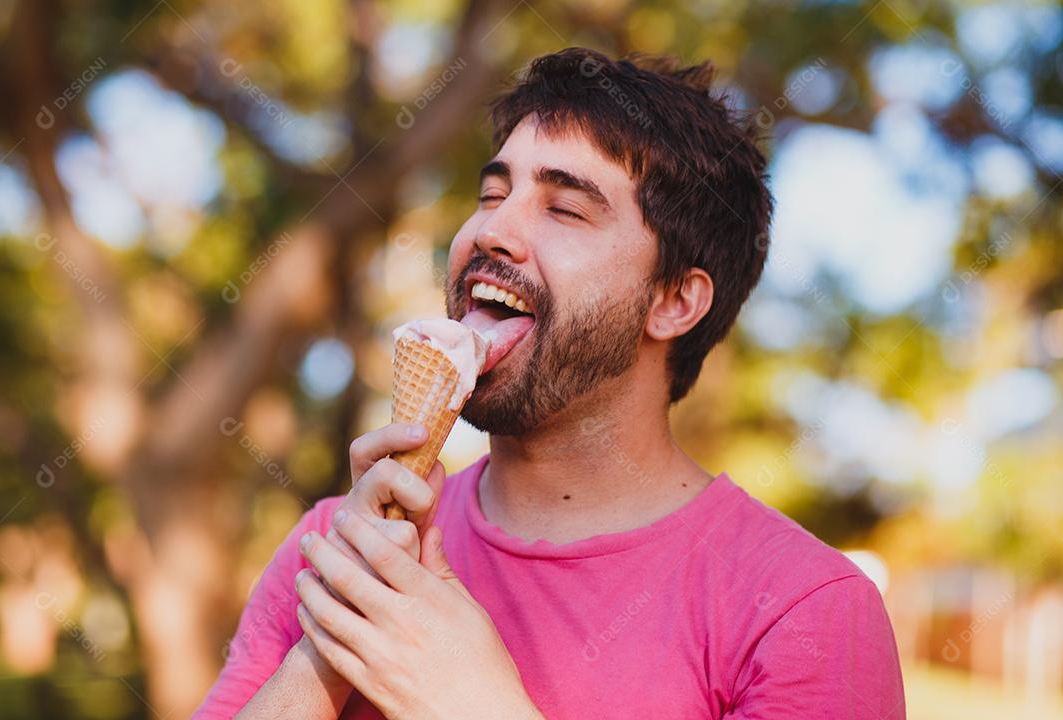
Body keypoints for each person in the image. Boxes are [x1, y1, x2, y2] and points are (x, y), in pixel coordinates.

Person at [195, 47, 905, 719]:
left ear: (674, 302)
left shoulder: (802, 609)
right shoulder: (336, 543)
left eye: (565, 208)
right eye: (492, 193)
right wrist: (334, 640)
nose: (492, 230)